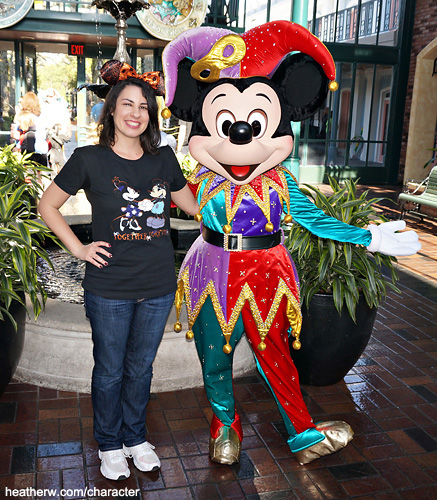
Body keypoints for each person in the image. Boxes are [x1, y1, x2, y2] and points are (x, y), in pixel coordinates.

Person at [38, 76, 199, 481]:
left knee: (141, 369)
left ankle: (135, 438)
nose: (135, 113)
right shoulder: (88, 158)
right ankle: (109, 443)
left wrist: (230, 178)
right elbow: (48, 205)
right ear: (111, 109)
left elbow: (195, 207)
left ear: (151, 115)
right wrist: (79, 249)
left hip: (158, 286)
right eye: (127, 104)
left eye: (144, 107)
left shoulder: (164, 159)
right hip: (109, 287)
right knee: (110, 370)